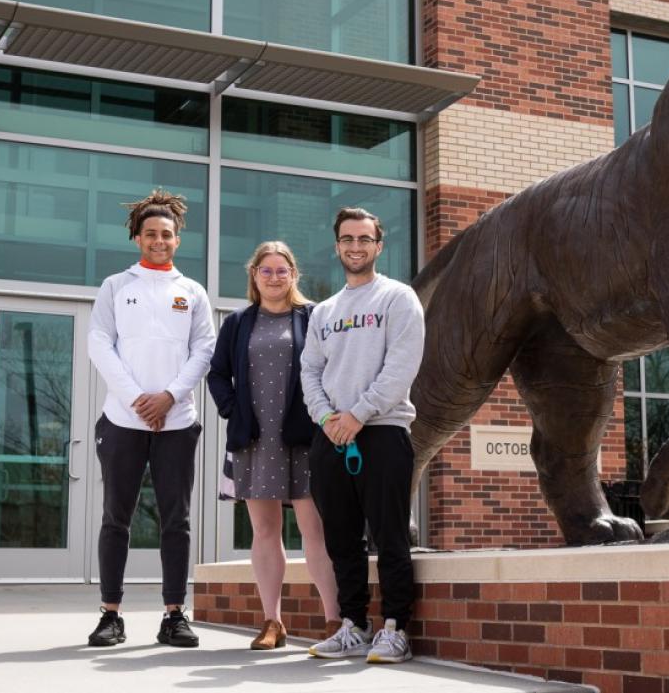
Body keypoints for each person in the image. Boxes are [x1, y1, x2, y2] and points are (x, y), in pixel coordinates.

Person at [85, 188, 216, 648]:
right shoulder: (116, 287)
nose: (159, 240)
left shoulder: (192, 291)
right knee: (115, 518)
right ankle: (110, 615)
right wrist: (138, 398)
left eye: (167, 234)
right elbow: (99, 343)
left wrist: (170, 396)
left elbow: (205, 348)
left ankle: (174, 614)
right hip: (122, 421)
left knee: (175, 520)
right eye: (151, 234)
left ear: (177, 239)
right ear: (137, 238)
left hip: (177, 423)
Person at [301, 207, 425, 664]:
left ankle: (396, 628)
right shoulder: (324, 311)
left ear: (378, 245)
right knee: (341, 539)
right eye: (347, 239)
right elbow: (310, 370)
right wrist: (327, 418)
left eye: (364, 239)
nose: (355, 246)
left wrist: (359, 413)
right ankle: (353, 624)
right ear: (337, 247)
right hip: (331, 438)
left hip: (383, 433)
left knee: (389, 534)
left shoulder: (397, 298)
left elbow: (401, 365)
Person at [207, 241, 340, 650]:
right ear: (254, 275)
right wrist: (233, 410)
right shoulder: (238, 322)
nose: (275, 277)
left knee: (313, 528)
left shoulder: (315, 316)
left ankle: (335, 620)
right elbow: (217, 374)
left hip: (305, 437)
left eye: (282, 270)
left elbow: (334, 368)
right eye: (266, 270)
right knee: (265, 530)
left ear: (293, 274)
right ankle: (272, 622)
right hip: (254, 439)